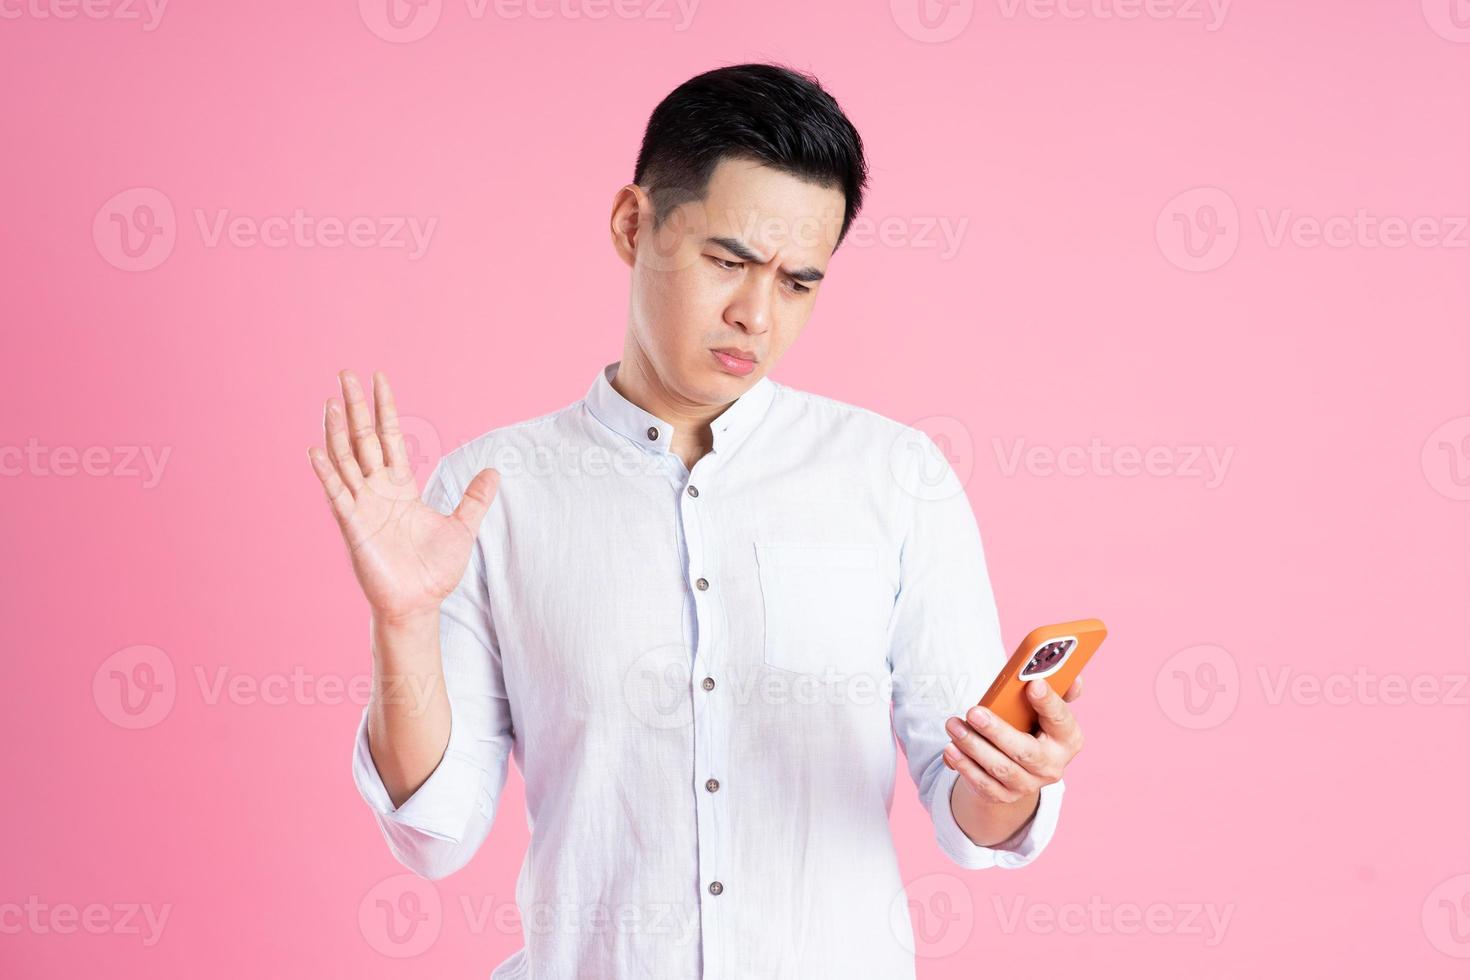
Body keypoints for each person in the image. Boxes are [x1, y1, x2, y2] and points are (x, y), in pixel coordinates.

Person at [307, 61, 1084, 980]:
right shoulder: (492, 490)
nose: (756, 315)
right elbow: (435, 836)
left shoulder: (894, 477)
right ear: (635, 226)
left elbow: (969, 818)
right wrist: (401, 624)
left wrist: (1013, 782)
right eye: (728, 261)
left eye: (798, 283)